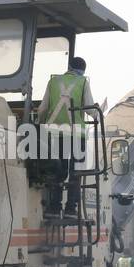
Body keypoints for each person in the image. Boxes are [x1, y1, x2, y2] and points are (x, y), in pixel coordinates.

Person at [36, 56, 94, 217]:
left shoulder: (53, 82)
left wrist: (39, 124)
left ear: (69, 67)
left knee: (57, 170)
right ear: (83, 71)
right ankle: (70, 209)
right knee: (75, 171)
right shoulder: (83, 82)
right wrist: (98, 115)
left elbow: (42, 109)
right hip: (77, 134)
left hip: (55, 134)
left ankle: (54, 207)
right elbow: (90, 109)